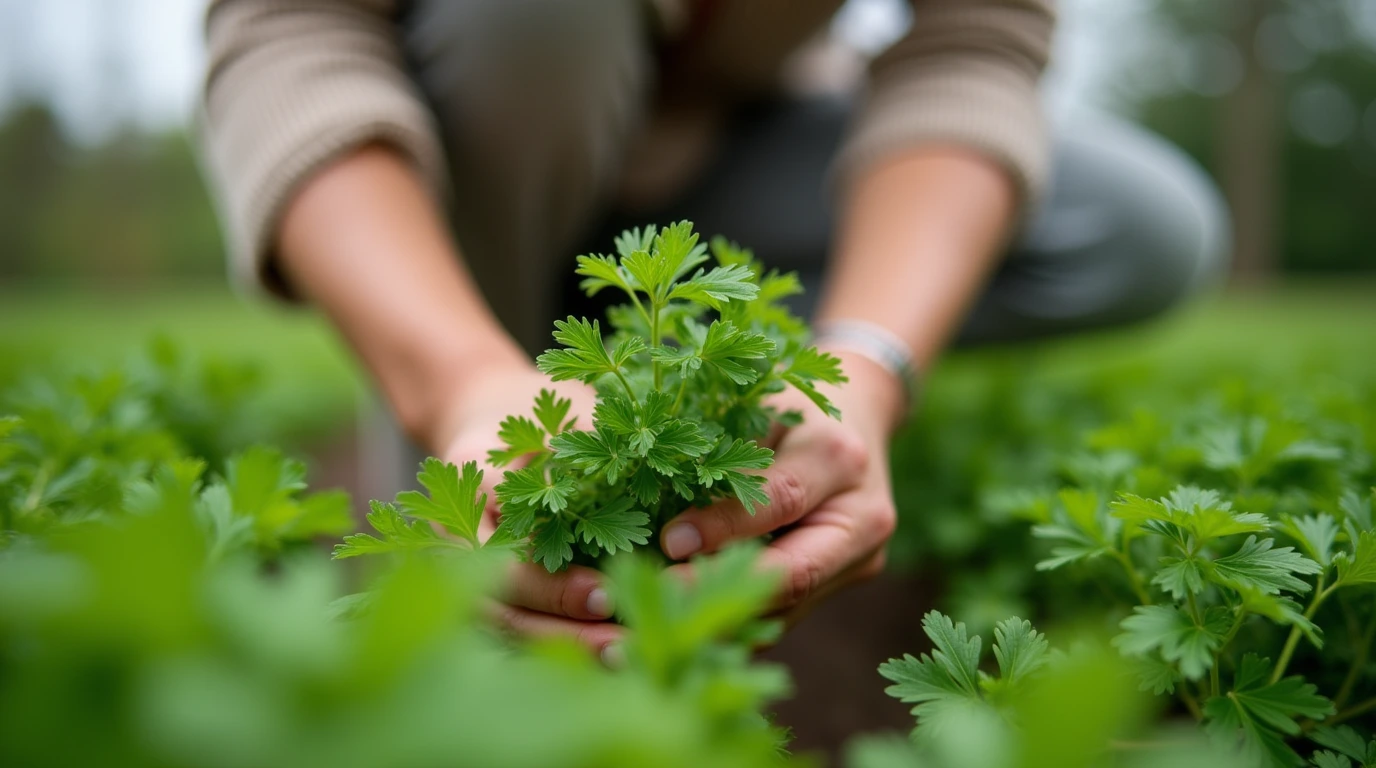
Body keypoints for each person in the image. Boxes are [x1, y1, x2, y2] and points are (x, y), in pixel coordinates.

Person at [198, 0, 1228, 658]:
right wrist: (458, 379)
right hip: (469, 118)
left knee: (1143, 225)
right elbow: (291, 30)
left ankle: (592, 374)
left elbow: (974, 36)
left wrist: (864, 361)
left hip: (731, 152)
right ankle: (471, 426)